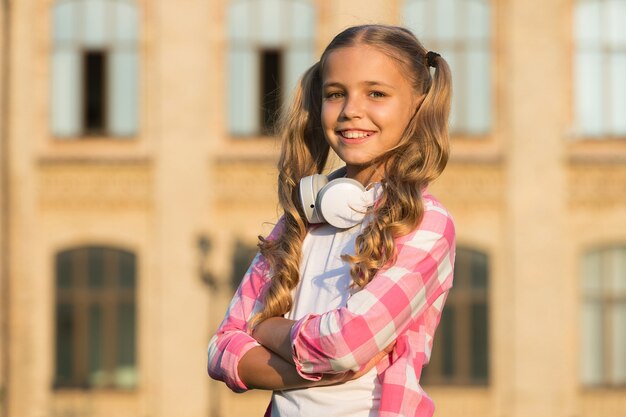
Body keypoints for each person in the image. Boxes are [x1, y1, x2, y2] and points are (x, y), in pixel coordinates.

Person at [207, 24, 455, 417]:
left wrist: (265, 329)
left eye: (376, 93)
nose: (350, 110)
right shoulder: (299, 222)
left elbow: (345, 344)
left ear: (419, 105)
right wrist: (315, 368)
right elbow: (221, 349)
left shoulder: (424, 224)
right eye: (335, 94)